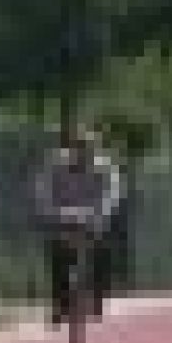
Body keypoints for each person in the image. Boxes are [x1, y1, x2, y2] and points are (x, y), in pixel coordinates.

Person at [34, 125, 123, 326]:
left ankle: (97, 298)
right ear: (71, 149)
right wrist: (51, 212)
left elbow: (112, 194)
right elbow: (44, 190)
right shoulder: (56, 164)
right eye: (78, 147)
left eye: (87, 148)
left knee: (101, 250)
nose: (83, 153)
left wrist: (100, 213)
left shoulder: (104, 167)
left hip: (93, 217)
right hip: (63, 216)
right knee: (58, 254)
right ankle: (60, 304)